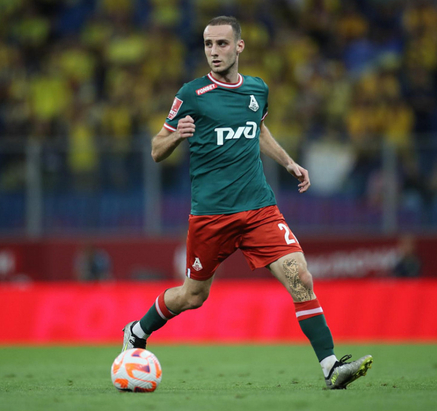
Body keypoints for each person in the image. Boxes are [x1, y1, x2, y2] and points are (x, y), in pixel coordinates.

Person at [121, 16, 372, 390]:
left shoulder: (257, 89)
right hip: (211, 216)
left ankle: (331, 367)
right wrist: (177, 137)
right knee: (192, 296)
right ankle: (137, 331)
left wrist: (287, 162)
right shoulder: (191, 94)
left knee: (301, 278)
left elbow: (258, 129)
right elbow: (157, 148)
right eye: (208, 44)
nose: (214, 51)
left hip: (259, 210)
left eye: (222, 43)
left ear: (239, 46)